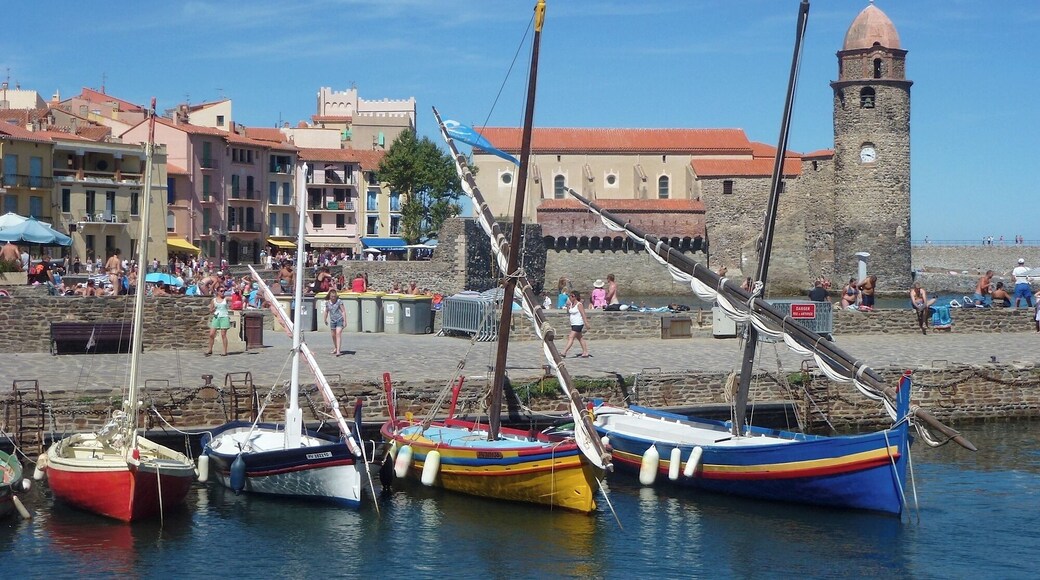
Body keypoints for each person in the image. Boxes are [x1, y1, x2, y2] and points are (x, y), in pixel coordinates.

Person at [560, 291, 590, 358]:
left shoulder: (579, 305)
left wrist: (586, 323)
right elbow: (568, 312)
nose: (570, 297)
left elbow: (583, 314)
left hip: (578, 324)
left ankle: (564, 352)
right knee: (580, 338)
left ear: (575, 297)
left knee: (571, 337)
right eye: (570, 296)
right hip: (573, 324)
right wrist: (567, 305)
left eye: (572, 296)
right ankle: (585, 352)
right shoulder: (571, 304)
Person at [206, 292, 231, 356]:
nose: (223, 292)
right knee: (211, 334)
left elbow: (235, 298)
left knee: (223, 334)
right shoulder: (214, 300)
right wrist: (213, 309)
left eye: (223, 291)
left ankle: (225, 351)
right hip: (216, 317)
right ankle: (210, 349)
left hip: (224, 317)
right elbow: (210, 310)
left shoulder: (226, 299)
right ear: (218, 292)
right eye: (221, 291)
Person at [325, 290, 347, 356]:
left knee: (338, 333)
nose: (333, 298)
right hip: (332, 321)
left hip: (339, 319)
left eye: (334, 296)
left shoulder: (339, 301)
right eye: (332, 296)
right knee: (333, 335)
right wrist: (325, 319)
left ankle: (338, 351)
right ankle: (336, 347)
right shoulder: (328, 303)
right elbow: (326, 311)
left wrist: (345, 321)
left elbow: (343, 311)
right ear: (330, 296)